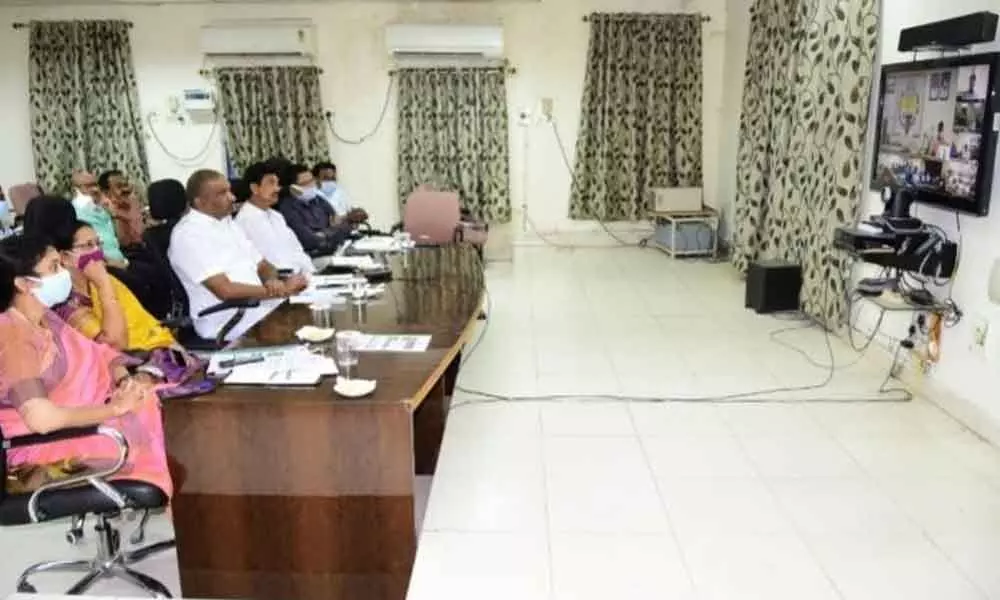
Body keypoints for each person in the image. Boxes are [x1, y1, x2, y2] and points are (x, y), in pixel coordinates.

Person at [0, 233, 172, 497]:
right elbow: (42, 419)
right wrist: (115, 408)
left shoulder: (46, 318)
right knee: (170, 435)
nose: (65, 272)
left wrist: (123, 380)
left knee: (172, 406)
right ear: (23, 283)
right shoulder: (13, 337)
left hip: (90, 420)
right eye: (54, 267)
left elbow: (101, 353)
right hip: (51, 444)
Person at [168, 169, 308, 340]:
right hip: (228, 319)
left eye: (229, 191)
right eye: (222, 193)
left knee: (313, 315)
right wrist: (278, 291)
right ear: (200, 202)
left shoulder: (228, 223)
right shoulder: (188, 235)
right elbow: (225, 290)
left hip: (257, 307)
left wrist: (272, 280)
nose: (232, 198)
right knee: (301, 333)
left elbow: (263, 265)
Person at [235, 162, 316, 274]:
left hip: (300, 280)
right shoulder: (246, 220)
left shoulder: (276, 216)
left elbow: (297, 250)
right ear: (254, 188)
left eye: (277, 184)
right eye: (271, 183)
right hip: (276, 284)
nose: (277, 189)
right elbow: (268, 262)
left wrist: (312, 275)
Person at [279, 163, 365, 255]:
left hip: (334, 250)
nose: (312, 185)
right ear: (293, 188)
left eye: (312, 180)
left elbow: (338, 222)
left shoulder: (318, 200)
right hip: (312, 256)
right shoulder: (288, 208)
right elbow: (310, 241)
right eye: (305, 183)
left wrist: (348, 221)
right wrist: (335, 230)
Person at [69, 170, 128, 268]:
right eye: (88, 186)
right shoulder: (74, 213)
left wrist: (112, 213)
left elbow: (120, 240)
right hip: (103, 266)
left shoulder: (101, 208)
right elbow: (87, 249)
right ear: (75, 190)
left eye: (95, 185)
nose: (95, 189)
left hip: (121, 261)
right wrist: (115, 264)